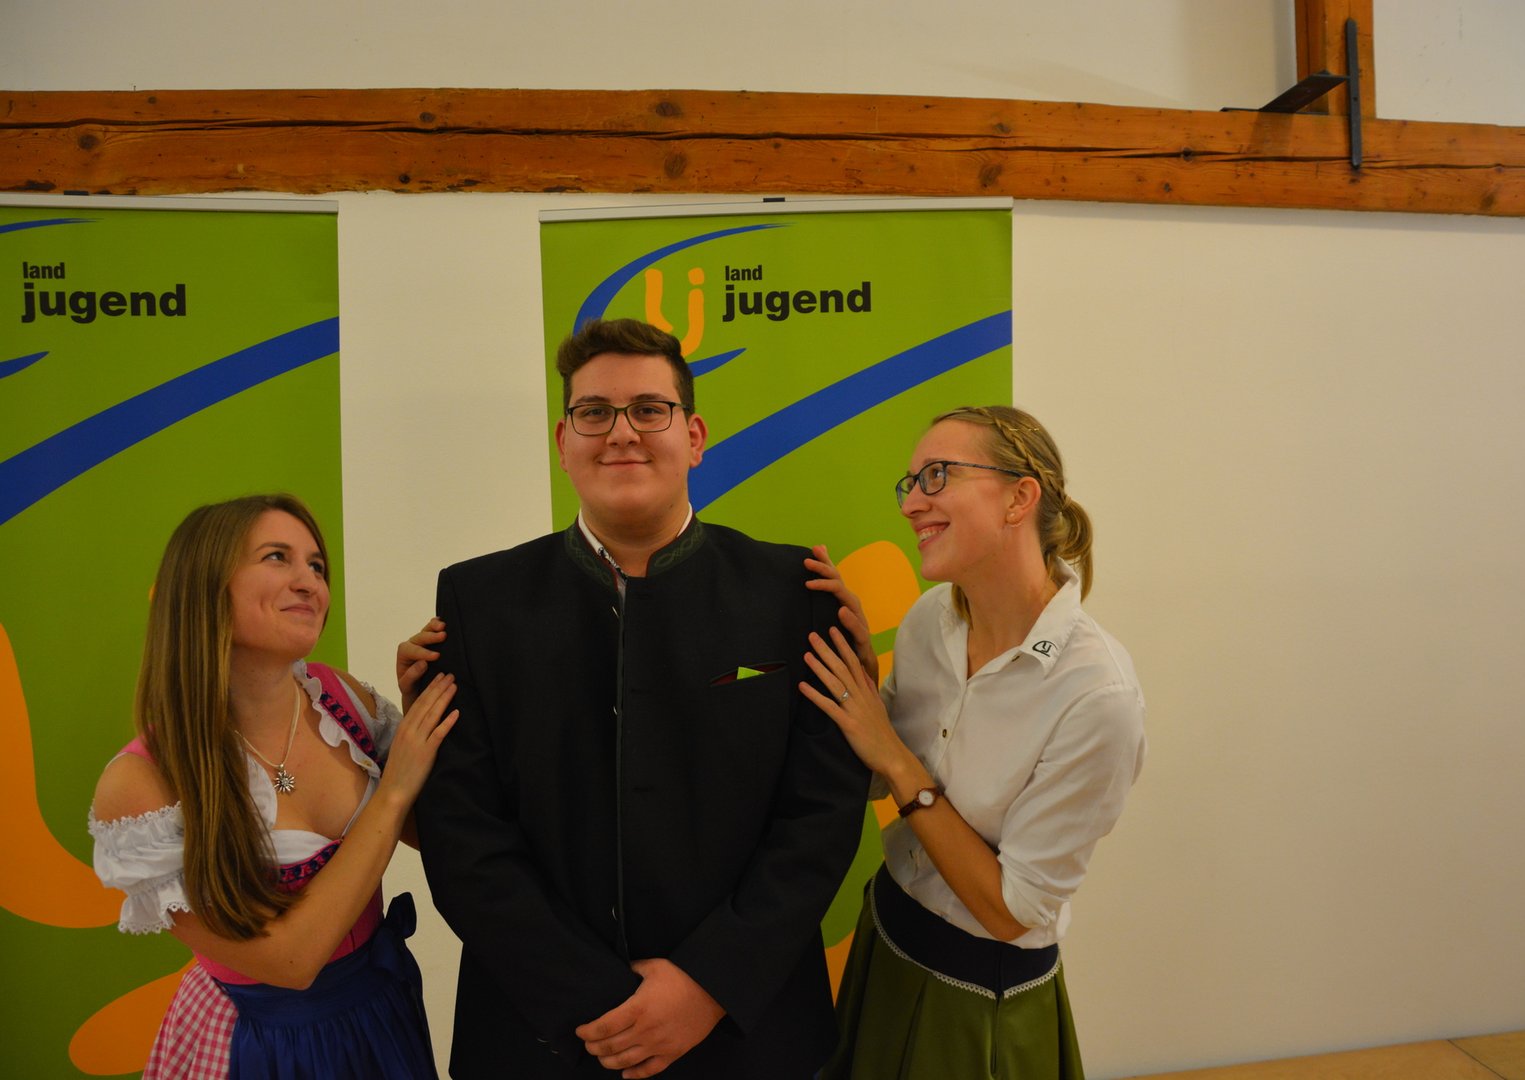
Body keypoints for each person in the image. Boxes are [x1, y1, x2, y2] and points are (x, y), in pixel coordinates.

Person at [402, 317, 870, 1079]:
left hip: (746, 1031)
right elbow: (463, 832)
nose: (622, 433)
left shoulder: (796, 592)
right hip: (542, 1035)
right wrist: (595, 1001)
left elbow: (820, 816)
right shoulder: (477, 602)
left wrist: (706, 985)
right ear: (564, 441)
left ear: (695, 436)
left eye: (650, 409)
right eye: (594, 412)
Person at [799, 405, 1147, 1079]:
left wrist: (893, 753)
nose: (912, 504)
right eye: (910, 484)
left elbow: (1011, 911)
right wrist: (857, 679)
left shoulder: (1098, 698)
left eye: (937, 475)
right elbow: (877, 776)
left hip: (980, 999)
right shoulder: (930, 619)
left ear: (1020, 497)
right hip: (886, 936)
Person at [89, 493, 459, 1080]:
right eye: (277, 557)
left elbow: (431, 835)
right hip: (259, 1046)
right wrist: (393, 789)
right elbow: (291, 963)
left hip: (380, 1014)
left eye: (317, 565)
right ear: (206, 584)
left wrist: (422, 714)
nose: (309, 582)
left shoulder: (341, 699)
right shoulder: (142, 783)